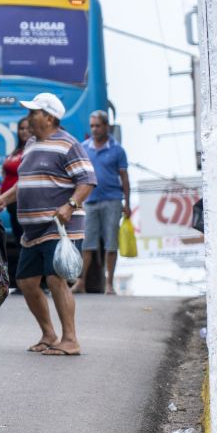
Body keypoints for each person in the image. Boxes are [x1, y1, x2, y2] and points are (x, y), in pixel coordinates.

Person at [0, 93, 94, 356]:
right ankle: (49, 334)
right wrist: (3, 198)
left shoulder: (68, 144)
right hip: (33, 231)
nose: (28, 118)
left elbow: (87, 180)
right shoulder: (32, 144)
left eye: (34, 113)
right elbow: (26, 181)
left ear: (49, 118)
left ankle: (70, 339)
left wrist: (70, 206)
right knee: (25, 281)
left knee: (56, 279)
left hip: (59, 227)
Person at [79, 111, 130, 295]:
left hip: (113, 201)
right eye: (92, 126)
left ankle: (109, 284)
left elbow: (124, 178)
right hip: (90, 201)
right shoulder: (84, 148)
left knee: (111, 244)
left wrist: (128, 203)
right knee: (87, 244)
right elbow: (79, 176)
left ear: (106, 126)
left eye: (97, 125)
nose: (94, 129)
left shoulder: (117, 150)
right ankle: (81, 282)